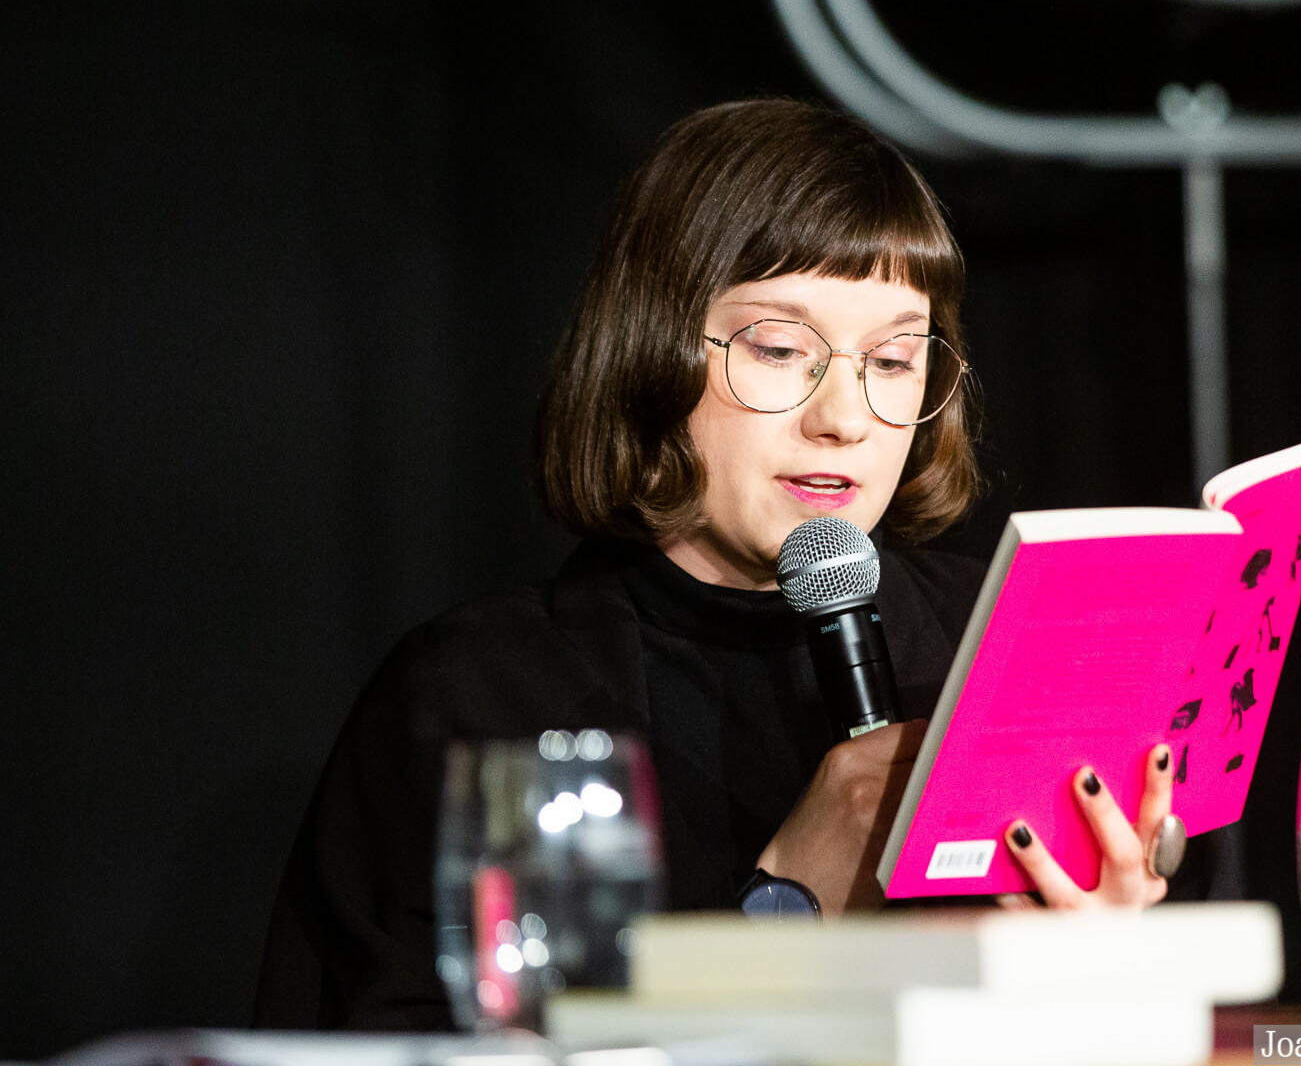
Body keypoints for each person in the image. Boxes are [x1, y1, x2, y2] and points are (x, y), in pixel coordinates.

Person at [253, 99, 1240, 1031]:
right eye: (778, 349)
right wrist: (789, 901)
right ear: (651, 353)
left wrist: (1108, 946)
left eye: (893, 361)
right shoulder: (482, 696)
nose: (843, 418)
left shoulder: (1003, 640)